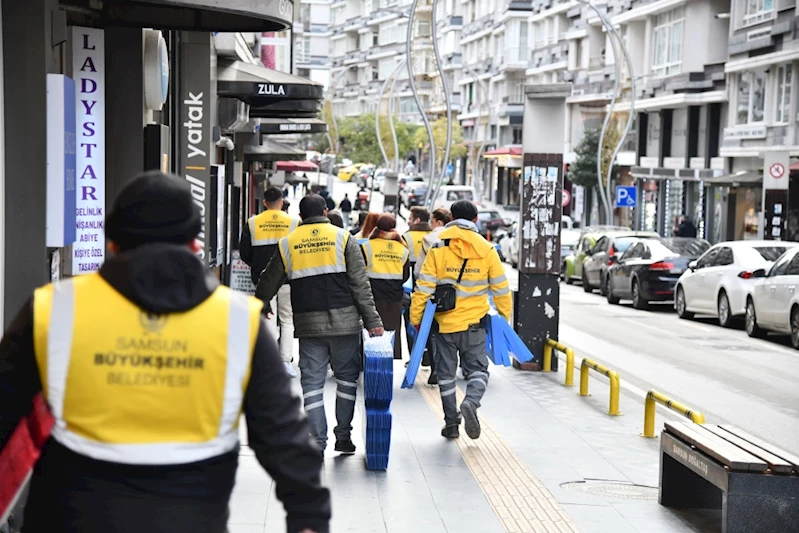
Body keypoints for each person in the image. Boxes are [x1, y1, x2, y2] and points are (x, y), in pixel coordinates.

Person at [0, 171, 329, 533]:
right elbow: (282, 435)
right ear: (194, 244)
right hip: (190, 519)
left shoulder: (53, 309)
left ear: (112, 242)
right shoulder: (238, 321)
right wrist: (308, 518)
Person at [256, 194, 384, 453]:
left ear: (301, 217)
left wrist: (262, 302)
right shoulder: (344, 238)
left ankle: (317, 440)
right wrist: (373, 321)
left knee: (312, 384)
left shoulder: (288, 243)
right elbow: (360, 285)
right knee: (347, 381)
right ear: (326, 212)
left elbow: (268, 280)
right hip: (345, 324)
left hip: (309, 325)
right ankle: (343, 437)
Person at [411, 200, 511, 441]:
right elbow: (501, 289)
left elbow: (423, 286)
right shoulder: (487, 249)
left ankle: (451, 423)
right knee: (478, 371)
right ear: (475, 219)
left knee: (445, 376)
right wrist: (504, 318)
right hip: (474, 323)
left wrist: (416, 319)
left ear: (451, 216)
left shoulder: (437, 245)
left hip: (443, 325)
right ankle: (471, 401)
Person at [239, 186, 300, 377]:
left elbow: (244, 253)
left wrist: (258, 267)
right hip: (288, 279)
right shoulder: (294, 222)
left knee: (267, 320)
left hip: (262, 280)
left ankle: (268, 362)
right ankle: (285, 362)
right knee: (287, 319)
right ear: (282, 202)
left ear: (264, 202)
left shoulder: (252, 223)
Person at [362, 214, 410, 360]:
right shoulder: (403, 248)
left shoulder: (366, 246)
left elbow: (360, 271)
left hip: (372, 295)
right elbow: (405, 275)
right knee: (392, 331)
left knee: (371, 330)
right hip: (394, 297)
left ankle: (370, 362)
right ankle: (390, 362)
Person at [414, 207, 452, 385]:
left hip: (434, 295)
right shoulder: (460, 238)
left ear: (437, 222)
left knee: (432, 331)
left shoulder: (429, 240)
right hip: (458, 294)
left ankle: (436, 368)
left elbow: (419, 272)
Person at [403, 207, 432, 361]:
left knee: (411, 320)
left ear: (417, 220)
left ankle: (414, 355)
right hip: (432, 286)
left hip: (413, 287)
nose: (408, 221)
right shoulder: (434, 236)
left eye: (410, 218)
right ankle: (429, 350)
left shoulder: (406, 238)